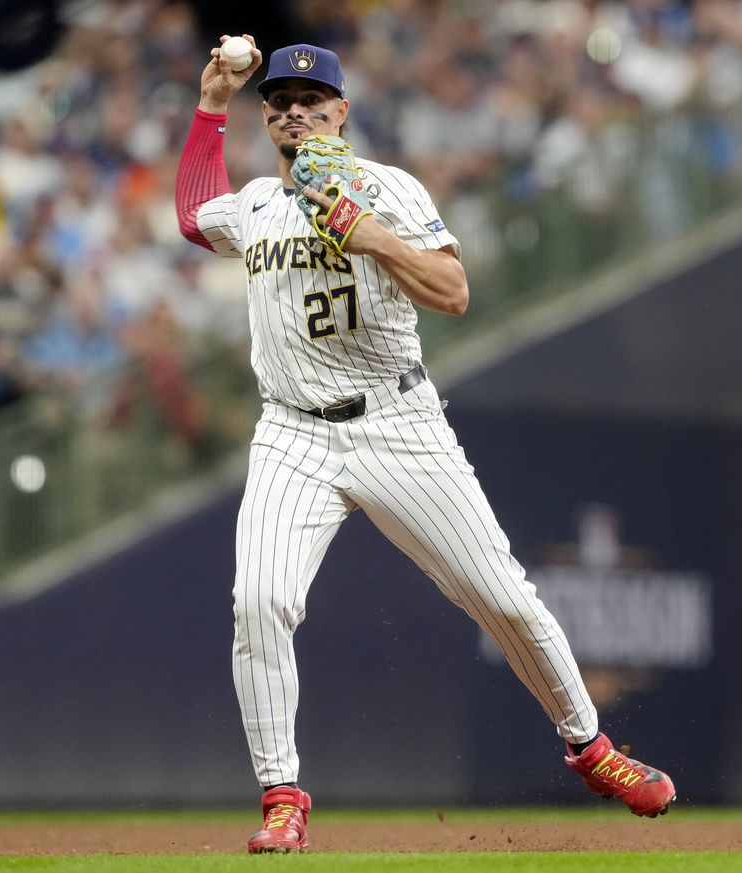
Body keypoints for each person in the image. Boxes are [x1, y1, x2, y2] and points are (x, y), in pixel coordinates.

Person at [175, 37, 676, 854]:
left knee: (504, 598)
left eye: (311, 100)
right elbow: (194, 213)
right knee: (258, 602)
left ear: (342, 111)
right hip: (291, 430)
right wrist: (209, 105)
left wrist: (370, 236)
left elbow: (454, 291)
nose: (294, 111)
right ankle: (282, 795)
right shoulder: (260, 201)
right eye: (279, 103)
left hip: (397, 422)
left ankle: (592, 748)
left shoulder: (389, 190)